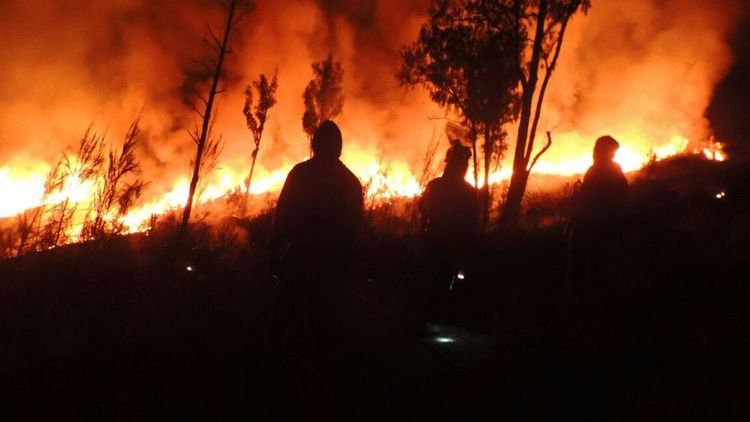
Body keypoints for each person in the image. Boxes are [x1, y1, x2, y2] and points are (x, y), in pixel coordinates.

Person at [267, 120, 364, 356]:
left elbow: (282, 216)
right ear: (339, 148)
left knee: (283, 318)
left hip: (299, 259)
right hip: (331, 263)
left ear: (314, 144)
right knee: (322, 323)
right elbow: (354, 230)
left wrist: (272, 252)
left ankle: (275, 366)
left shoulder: (300, 174)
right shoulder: (351, 183)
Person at [414, 140, 479, 328]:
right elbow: (472, 224)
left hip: (432, 245)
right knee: (440, 286)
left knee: (426, 283)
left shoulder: (435, 186)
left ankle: (420, 320)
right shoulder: (469, 193)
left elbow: (423, 208)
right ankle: (432, 320)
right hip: (450, 249)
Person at [568, 135, 629, 289]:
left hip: (594, 223)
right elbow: (623, 191)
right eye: (612, 152)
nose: (614, 155)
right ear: (606, 152)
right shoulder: (612, 169)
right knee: (602, 265)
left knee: (593, 266)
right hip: (606, 224)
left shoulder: (592, 171)